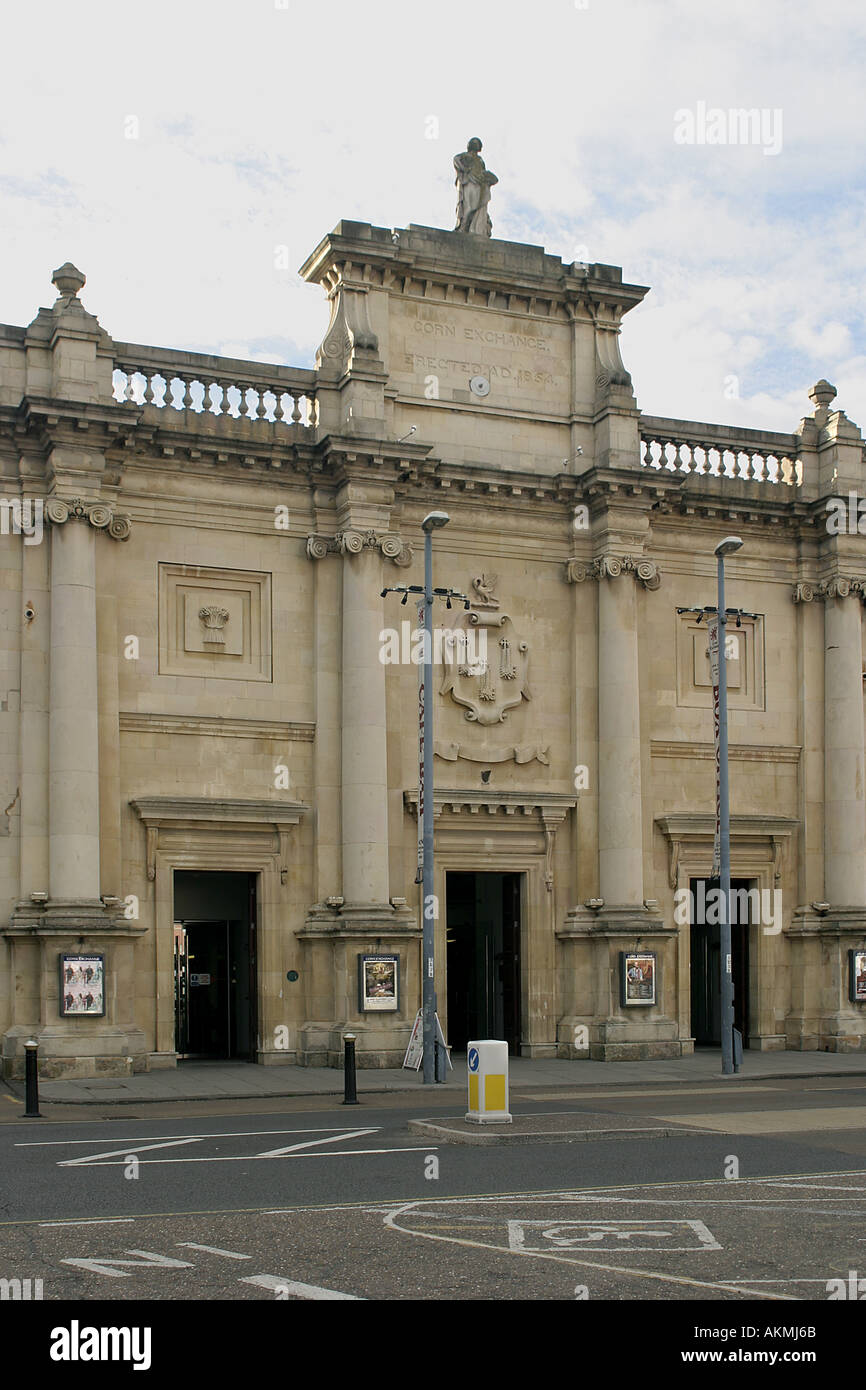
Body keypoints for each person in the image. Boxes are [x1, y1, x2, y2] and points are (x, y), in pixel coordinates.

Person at [454, 139, 498, 237]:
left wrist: (486, 177)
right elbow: (456, 159)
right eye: (476, 144)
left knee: (479, 206)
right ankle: (463, 226)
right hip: (469, 181)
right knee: (470, 206)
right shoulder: (465, 156)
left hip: (480, 183)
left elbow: (483, 171)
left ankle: (473, 228)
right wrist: (466, 169)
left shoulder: (480, 160)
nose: (478, 146)